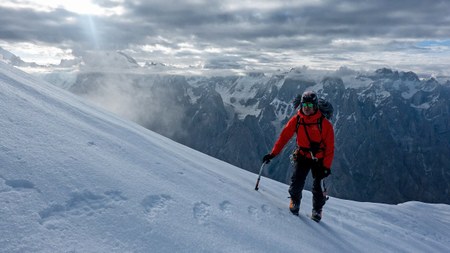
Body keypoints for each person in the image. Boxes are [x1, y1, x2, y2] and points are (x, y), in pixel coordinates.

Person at [262, 91, 334, 221]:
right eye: (304, 105)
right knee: (296, 183)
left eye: (310, 105)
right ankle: (295, 202)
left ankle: (317, 210)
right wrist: (272, 154)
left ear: (315, 106)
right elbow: (284, 137)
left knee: (318, 186)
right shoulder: (297, 120)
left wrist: (326, 167)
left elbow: (330, 148)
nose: (307, 108)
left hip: (319, 159)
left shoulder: (324, 124)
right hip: (302, 155)